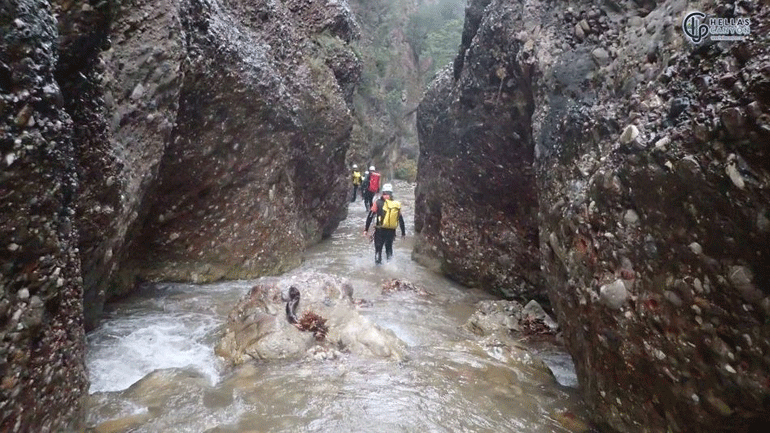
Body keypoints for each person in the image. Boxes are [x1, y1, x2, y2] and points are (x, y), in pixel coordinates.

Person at [364, 183, 405, 264]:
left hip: (380, 230)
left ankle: (377, 269)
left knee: (378, 250)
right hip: (391, 231)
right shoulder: (395, 204)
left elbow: (370, 216)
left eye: (387, 194)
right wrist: (403, 232)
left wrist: (366, 229)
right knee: (389, 249)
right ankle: (390, 266)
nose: (386, 196)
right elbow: (400, 219)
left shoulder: (378, 203)